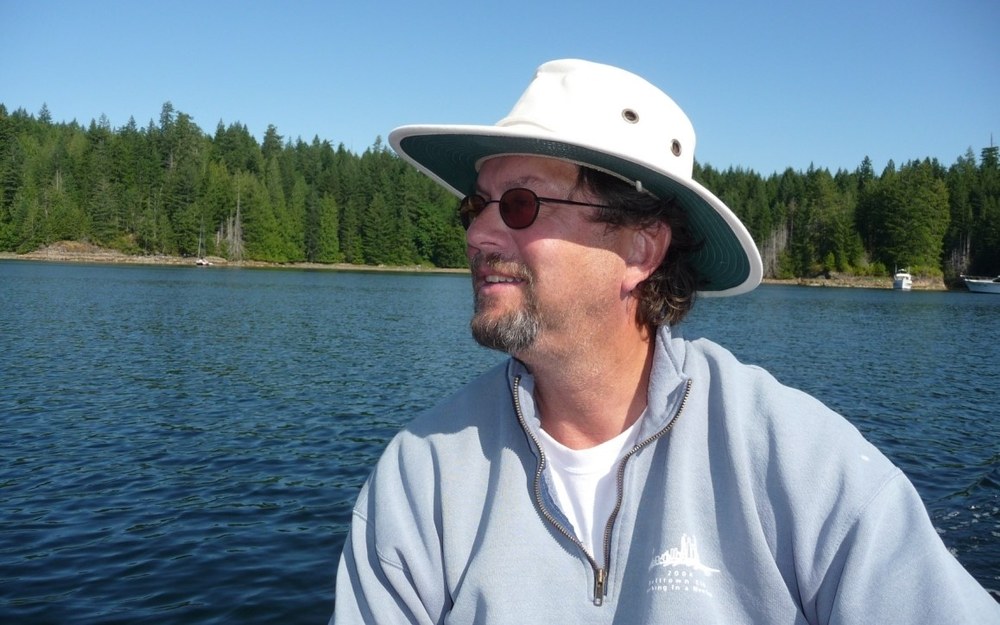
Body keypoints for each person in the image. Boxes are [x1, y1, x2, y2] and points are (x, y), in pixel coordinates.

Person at [332, 59, 999, 624]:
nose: (479, 233)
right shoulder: (421, 476)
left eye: (520, 204)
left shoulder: (797, 461)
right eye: (475, 205)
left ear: (640, 249)